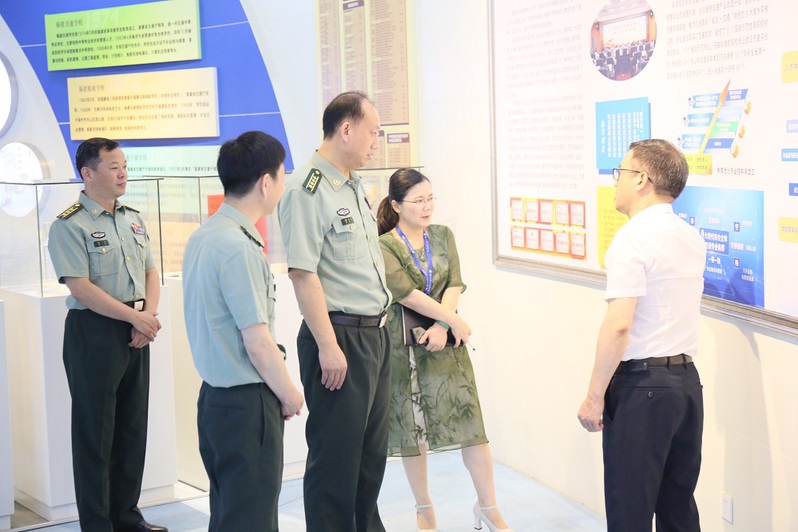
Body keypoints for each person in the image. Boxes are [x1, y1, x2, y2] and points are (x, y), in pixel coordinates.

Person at [577, 139, 706, 531]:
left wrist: (594, 397)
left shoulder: (632, 238)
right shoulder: (691, 237)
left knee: (629, 511)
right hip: (686, 386)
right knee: (678, 509)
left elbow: (619, 324)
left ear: (642, 180)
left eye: (621, 172)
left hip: (642, 390)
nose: (615, 181)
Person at [277, 91, 392, 531]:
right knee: (336, 461)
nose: (376, 143)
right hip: (339, 337)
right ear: (346, 129)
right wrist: (328, 346)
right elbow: (302, 274)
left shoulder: (352, 184)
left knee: (370, 457)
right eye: (372, 133)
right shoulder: (307, 189)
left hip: (374, 335)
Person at [376, 169, 512, 532]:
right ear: (396, 205)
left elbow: (454, 282)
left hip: (447, 342)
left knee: (471, 425)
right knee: (414, 430)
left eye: (430, 199)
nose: (427, 207)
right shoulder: (385, 245)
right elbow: (405, 293)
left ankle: (488, 506)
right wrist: (453, 320)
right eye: (418, 201)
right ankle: (424, 509)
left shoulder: (442, 235)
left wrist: (443, 325)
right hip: (405, 346)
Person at [182, 131, 304, 531]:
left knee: (230, 515)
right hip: (247, 406)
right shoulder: (238, 247)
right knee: (252, 519)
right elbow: (258, 342)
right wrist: (289, 394)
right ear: (266, 182)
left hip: (215, 402)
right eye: (282, 174)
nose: (282, 184)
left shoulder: (205, 237)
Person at [48, 138, 166, 532]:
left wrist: (147, 316)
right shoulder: (69, 224)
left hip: (136, 328)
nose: (123, 174)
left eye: (125, 166)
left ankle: (126, 517)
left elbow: (150, 271)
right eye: (114, 167)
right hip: (95, 332)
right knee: (95, 436)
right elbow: (80, 288)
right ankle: (98, 524)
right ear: (87, 173)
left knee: (132, 428)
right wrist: (135, 319)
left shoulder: (133, 218)